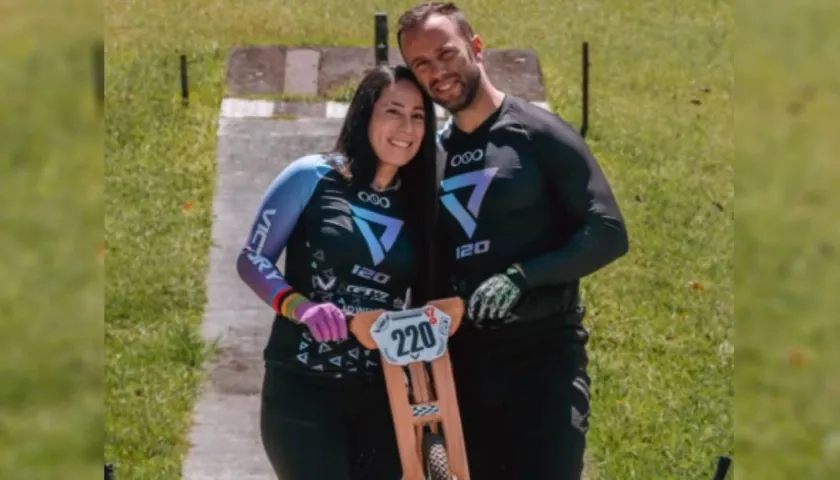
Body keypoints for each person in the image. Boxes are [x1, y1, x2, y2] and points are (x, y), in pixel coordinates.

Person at [396, 3, 630, 479]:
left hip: (543, 361)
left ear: (476, 48)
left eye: (445, 54)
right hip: (463, 370)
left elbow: (607, 231)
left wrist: (522, 277)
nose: (437, 72)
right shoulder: (430, 158)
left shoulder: (537, 131)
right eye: (422, 65)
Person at [235, 64, 438, 480]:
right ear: (365, 114)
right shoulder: (312, 175)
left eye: (418, 115)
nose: (406, 127)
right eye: (393, 111)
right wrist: (301, 308)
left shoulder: (423, 205)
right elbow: (252, 259)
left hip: (383, 393)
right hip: (303, 388)